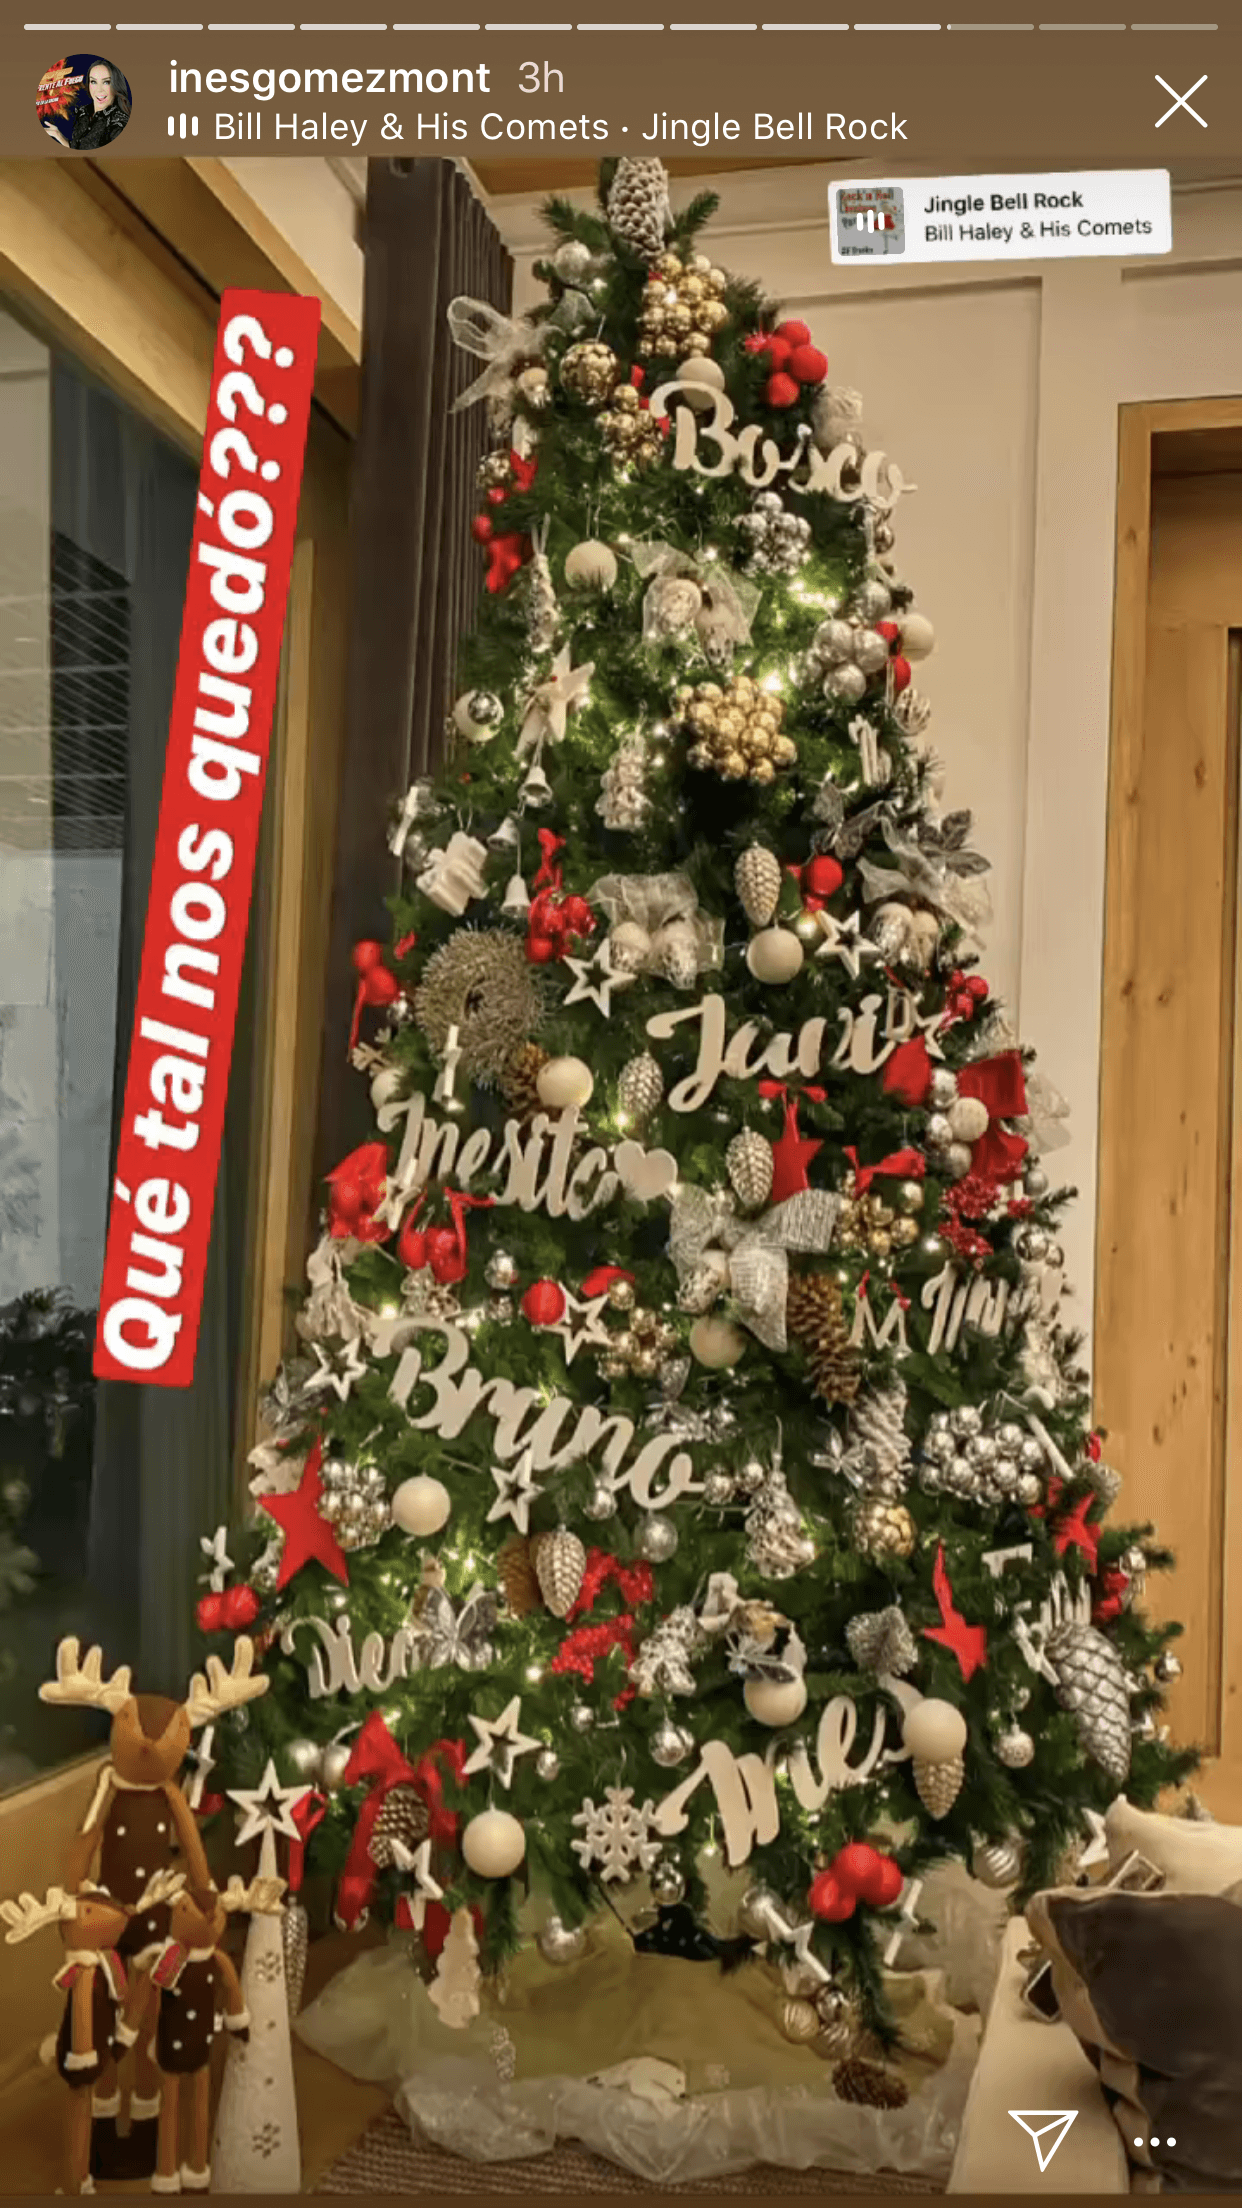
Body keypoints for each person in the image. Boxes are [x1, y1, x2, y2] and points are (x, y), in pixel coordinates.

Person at [44, 58, 130, 148]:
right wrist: (58, 135)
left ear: (116, 85)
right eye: (93, 82)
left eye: (106, 82)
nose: (99, 90)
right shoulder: (83, 113)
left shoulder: (119, 125)